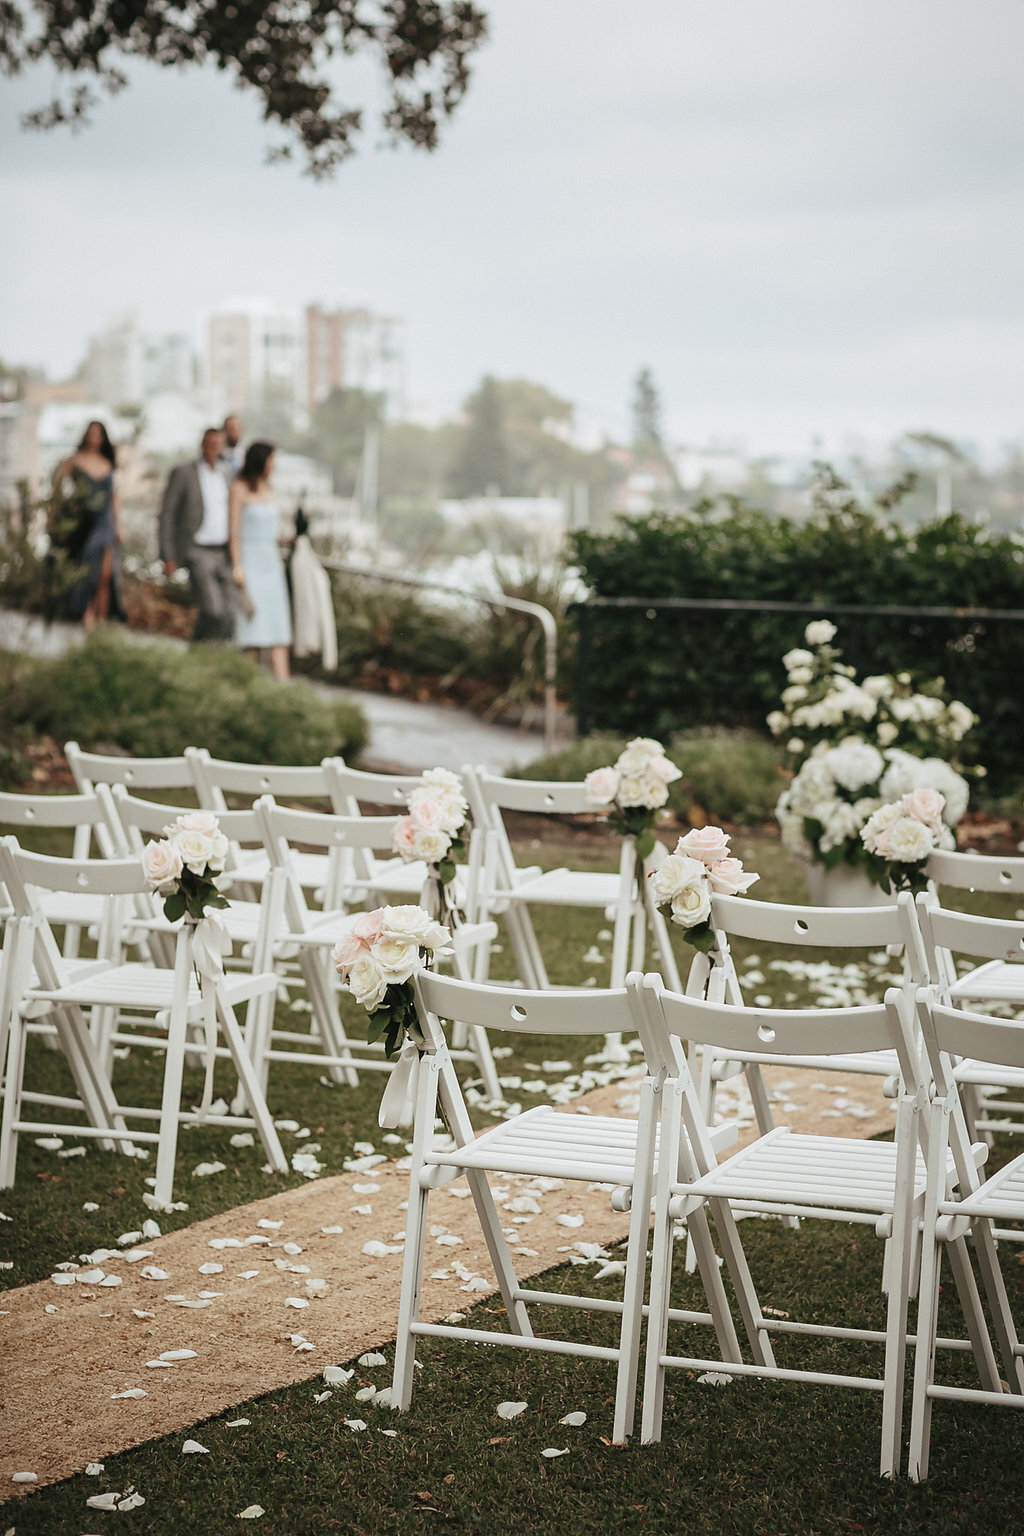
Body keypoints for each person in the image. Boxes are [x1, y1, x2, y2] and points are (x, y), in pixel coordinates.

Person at [158, 427, 236, 642]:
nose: (213, 449)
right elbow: (167, 515)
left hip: (223, 551)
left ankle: (201, 654)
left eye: (217, 445)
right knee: (213, 609)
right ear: (202, 445)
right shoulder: (184, 472)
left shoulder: (227, 474)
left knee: (229, 612)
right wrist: (168, 555)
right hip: (197, 549)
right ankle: (202, 653)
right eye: (209, 444)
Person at [52, 419, 126, 630]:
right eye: (91, 433)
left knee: (105, 573)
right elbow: (56, 483)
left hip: (106, 522)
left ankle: (100, 617)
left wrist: (120, 525)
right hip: (85, 523)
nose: (94, 438)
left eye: (98, 434)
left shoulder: (107, 462)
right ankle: (86, 613)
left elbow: (114, 497)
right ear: (86, 435)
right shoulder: (74, 460)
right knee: (87, 568)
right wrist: (62, 510)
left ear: (103, 438)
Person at [229, 441, 292, 681]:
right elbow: (234, 532)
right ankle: (247, 686)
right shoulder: (239, 488)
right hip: (250, 561)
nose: (274, 465)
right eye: (271, 459)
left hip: (271, 562)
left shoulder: (269, 489)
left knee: (278, 630)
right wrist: (237, 566)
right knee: (252, 630)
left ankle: (285, 689)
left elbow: (270, 529)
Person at [220, 414, 245, 481]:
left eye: (238, 427)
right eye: (231, 428)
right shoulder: (217, 454)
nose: (234, 431)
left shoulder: (244, 454)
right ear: (223, 430)